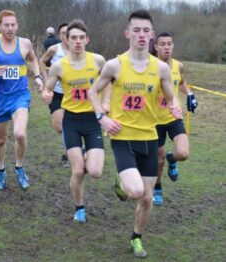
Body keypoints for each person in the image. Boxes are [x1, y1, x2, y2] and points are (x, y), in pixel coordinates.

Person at [88, 10, 182, 258]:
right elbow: (92, 92)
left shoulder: (161, 68)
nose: (141, 35)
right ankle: (122, 182)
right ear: (127, 33)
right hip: (123, 137)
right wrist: (102, 118)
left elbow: (171, 96)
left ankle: (136, 238)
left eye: (146, 31)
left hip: (150, 138)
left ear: (151, 35)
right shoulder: (114, 65)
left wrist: (175, 106)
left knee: (147, 198)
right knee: (136, 191)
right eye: (136, 30)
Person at [42, 19, 106, 223]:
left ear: (87, 39)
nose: (77, 41)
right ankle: (79, 207)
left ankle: (87, 154)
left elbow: (112, 82)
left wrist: (106, 102)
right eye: (73, 38)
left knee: (95, 172)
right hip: (71, 120)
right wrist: (46, 93)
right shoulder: (59, 66)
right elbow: (48, 87)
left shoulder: (98, 61)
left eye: (81, 38)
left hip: (92, 120)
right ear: (67, 41)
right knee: (78, 170)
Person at [0, 10, 43, 190]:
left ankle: (19, 167)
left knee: (20, 133)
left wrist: (37, 76)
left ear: (17, 26)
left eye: (13, 24)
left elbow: (33, 60)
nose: (10, 28)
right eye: (6, 25)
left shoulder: (25, 43)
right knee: (2, 138)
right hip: (0, 98)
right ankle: (1, 169)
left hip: (20, 95)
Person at [152, 32, 198, 205]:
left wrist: (190, 94)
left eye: (169, 44)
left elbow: (181, 82)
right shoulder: (149, 67)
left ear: (173, 46)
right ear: (155, 47)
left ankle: (173, 159)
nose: (166, 47)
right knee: (159, 160)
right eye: (162, 44)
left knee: (183, 153)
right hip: (154, 121)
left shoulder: (178, 66)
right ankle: (157, 187)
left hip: (174, 117)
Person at [39, 23, 70, 168]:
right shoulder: (54, 49)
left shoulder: (78, 50)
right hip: (56, 92)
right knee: (59, 127)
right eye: (63, 33)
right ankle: (72, 146)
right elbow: (41, 61)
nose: (66, 35)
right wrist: (46, 80)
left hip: (72, 94)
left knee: (67, 125)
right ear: (59, 34)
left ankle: (67, 154)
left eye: (68, 32)